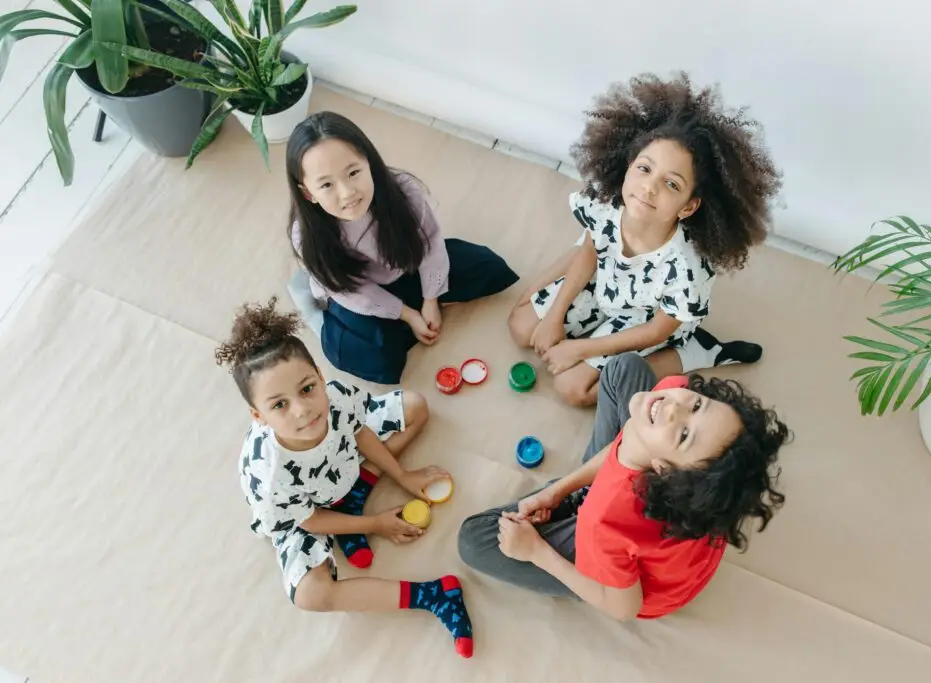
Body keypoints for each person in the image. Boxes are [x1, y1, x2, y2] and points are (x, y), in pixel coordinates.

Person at [216, 298, 474, 658]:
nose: (303, 410)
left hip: (340, 465)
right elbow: (310, 519)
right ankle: (433, 595)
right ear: (258, 416)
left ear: (321, 378)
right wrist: (374, 524)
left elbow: (360, 432)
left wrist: (402, 475)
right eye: (279, 405)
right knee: (311, 594)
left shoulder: (334, 398)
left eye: (307, 388)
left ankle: (355, 494)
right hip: (302, 512)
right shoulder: (268, 474)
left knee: (415, 406)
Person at [508, 73, 783, 406]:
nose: (649, 187)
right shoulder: (605, 204)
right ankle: (562, 317)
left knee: (573, 389)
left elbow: (656, 330)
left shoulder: (687, 270)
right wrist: (554, 315)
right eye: (644, 168)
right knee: (522, 328)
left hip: (646, 317)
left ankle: (697, 352)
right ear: (628, 165)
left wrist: (578, 347)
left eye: (672, 184)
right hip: (605, 282)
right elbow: (589, 251)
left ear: (689, 206)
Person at [457, 353, 788, 621]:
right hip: (641, 524)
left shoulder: (606, 522)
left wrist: (538, 553)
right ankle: (574, 499)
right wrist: (556, 492)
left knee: (473, 540)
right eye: (698, 405)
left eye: (684, 435)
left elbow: (623, 608)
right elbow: (625, 444)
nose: (673, 408)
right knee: (624, 368)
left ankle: (572, 513)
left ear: (661, 471)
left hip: (636, 578)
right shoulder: (673, 397)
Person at [286, 111, 520, 384]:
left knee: (489, 268)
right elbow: (354, 292)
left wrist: (431, 299)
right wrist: (409, 315)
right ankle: (314, 300)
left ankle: (406, 310)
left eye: (353, 172)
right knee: (372, 357)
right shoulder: (306, 235)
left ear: (369, 163)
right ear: (308, 194)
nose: (347, 192)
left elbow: (430, 243)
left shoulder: (404, 191)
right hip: (352, 288)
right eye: (326, 184)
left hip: (403, 266)